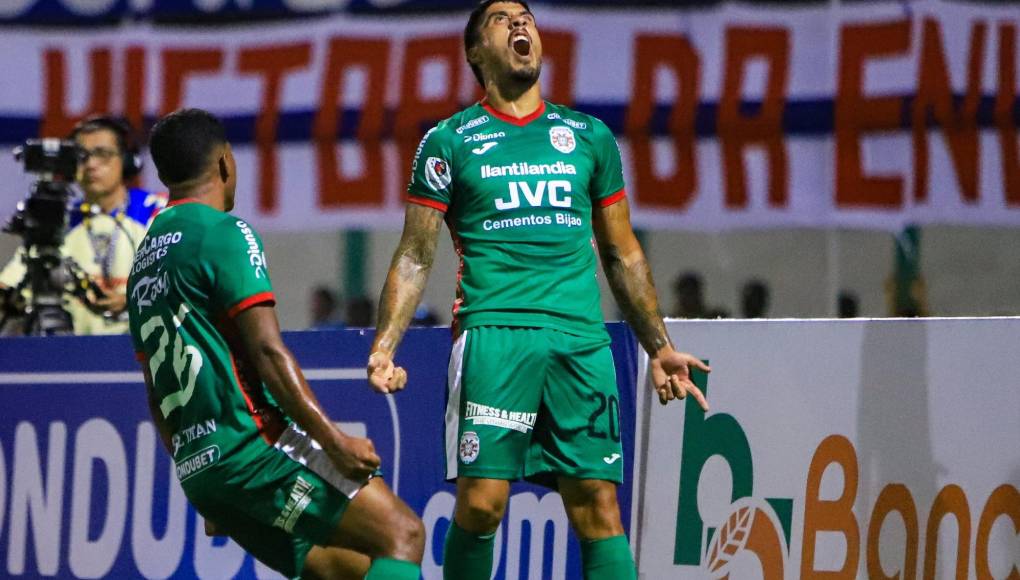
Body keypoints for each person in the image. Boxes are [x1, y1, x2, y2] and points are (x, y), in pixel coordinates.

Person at [365, 3, 710, 578]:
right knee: (482, 504)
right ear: (475, 52)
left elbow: (623, 251)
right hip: (495, 335)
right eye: (501, 19)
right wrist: (384, 345)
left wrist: (659, 345)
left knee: (599, 509)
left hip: (581, 341)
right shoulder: (449, 142)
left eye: (526, 16)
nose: (520, 24)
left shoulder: (588, 137)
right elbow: (415, 253)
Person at [129, 108, 423, 579]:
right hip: (254, 445)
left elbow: (154, 392)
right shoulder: (224, 233)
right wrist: (335, 442)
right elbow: (268, 351)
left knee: (340, 568)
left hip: (202, 469)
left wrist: (198, 472)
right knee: (402, 534)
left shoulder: (144, 260)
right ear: (226, 162)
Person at [0, 115, 164, 334]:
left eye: (103, 154)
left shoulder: (158, 212)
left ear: (127, 160)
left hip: (147, 354)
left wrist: (131, 300)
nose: (91, 164)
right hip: (75, 358)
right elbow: (10, 284)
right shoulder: (57, 221)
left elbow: (185, 285)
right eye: (81, 156)